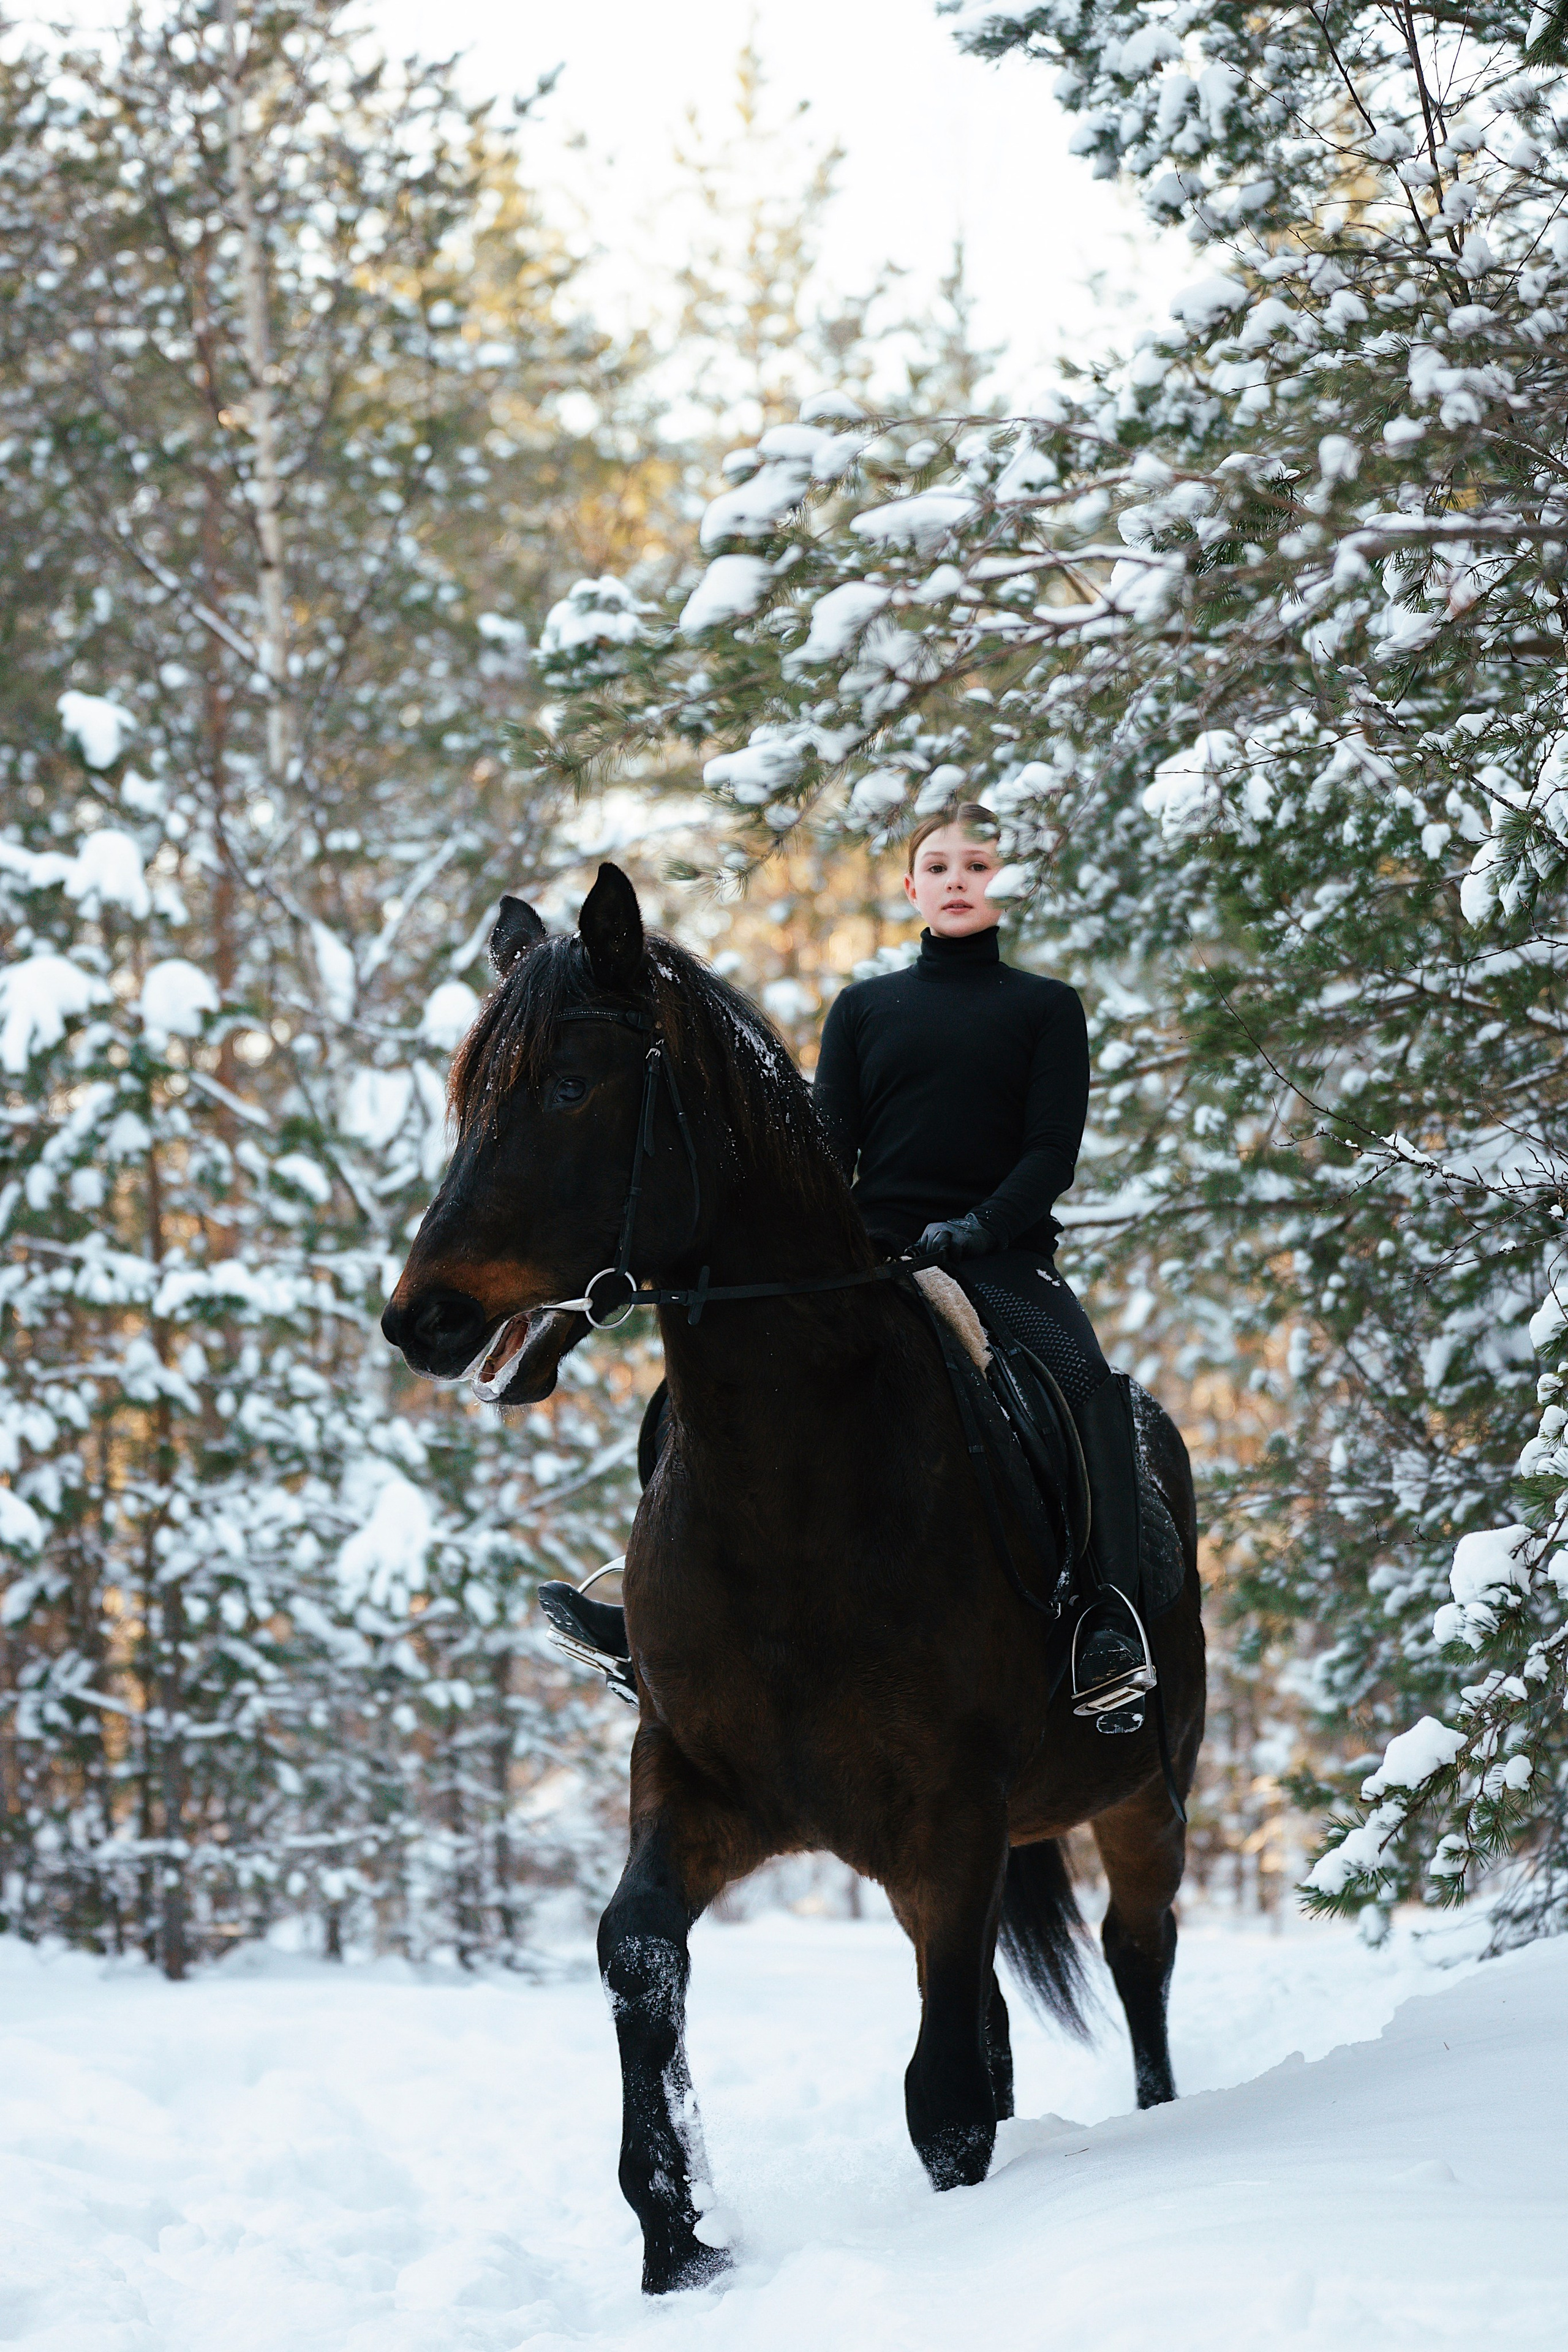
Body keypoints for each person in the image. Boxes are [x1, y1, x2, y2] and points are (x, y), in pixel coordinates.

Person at [542, 803, 1153, 1717]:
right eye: (938, 867)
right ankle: (651, 1616)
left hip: (1005, 1261)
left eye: (977, 866)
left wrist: (982, 1227)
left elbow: (1047, 1154)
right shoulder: (865, 1008)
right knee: (695, 1388)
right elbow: (830, 1142)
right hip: (870, 1257)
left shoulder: (1045, 1009)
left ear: (1005, 886)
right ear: (911, 889)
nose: (957, 881)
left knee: (1086, 1385)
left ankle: (1105, 1621)